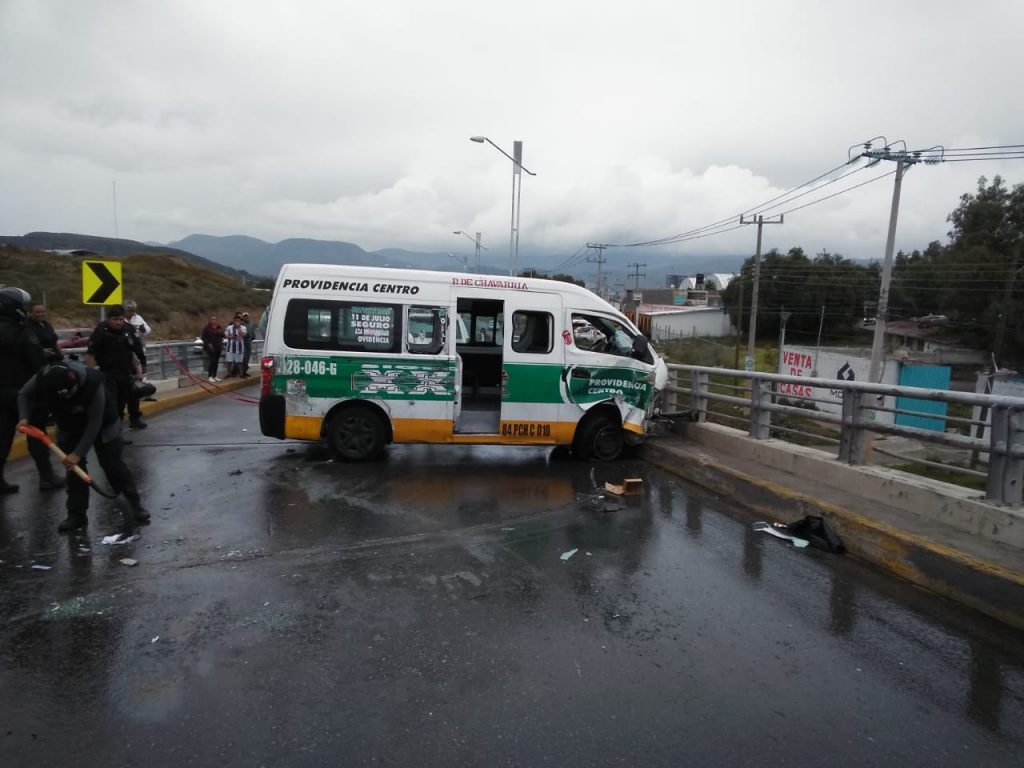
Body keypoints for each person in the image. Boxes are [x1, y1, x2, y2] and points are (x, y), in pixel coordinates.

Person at [18, 360, 149, 533]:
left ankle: (136, 506)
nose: (68, 398)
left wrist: (78, 453)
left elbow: (94, 424)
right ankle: (76, 515)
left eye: (70, 393)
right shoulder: (43, 378)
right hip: (68, 425)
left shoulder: (93, 383)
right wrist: (24, 417)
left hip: (103, 425)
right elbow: (23, 394)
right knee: (74, 473)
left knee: (113, 465)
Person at [0, 287, 50, 493]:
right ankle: (46, 476)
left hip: (1, 393)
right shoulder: (23, 332)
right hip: (25, 393)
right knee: (37, 433)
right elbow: (37, 364)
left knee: (2, 436)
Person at [23, 302, 66, 490]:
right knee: (37, 427)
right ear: (29, 313)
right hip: (38, 376)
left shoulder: (46, 325)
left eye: (43, 311)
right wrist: (41, 353)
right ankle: (46, 476)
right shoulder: (26, 329)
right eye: (37, 312)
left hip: (54, 371)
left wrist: (61, 356)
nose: (41, 314)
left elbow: (55, 343)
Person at [87, 305, 148, 429]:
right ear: (109, 319)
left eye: (120, 319)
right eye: (115, 319)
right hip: (108, 372)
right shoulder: (101, 330)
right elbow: (91, 353)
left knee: (126, 400)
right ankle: (113, 430)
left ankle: (124, 425)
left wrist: (140, 370)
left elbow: (133, 353)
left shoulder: (127, 330)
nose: (118, 322)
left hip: (125, 372)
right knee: (113, 403)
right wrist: (91, 375)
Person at [201, 314, 224, 382]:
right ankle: (209, 376)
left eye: (214, 319)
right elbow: (203, 337)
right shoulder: (206, 328)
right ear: (210, 320)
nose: (213, 321)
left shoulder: (219, 327)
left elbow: (223, 335)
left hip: (218, 346)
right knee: (212, 361)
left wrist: (220, 332)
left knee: (216, 362)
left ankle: (215, 375)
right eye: (212, 319)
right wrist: (208, 343)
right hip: (210, 347)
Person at [222, 313, 247, 378]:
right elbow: (225, 336)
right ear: (233, 321)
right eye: (235, 321)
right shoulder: (229, 327)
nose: (237, 322)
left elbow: (244, 335)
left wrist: (239, 329)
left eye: (238, 321)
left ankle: (241, 374)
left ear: (240, 321)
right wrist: (231, 336)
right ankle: (228, 374)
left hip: (240, 348)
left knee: (239, 362)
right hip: (230, 347)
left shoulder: (243, 327)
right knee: (229, 361)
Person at [240, 311, 254, 377]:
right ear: (243, 317)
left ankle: (245, 371)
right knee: (244, 357)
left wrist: (253, 337)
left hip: (249, 342)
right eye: (244, 316)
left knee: (248, 356)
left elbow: (252, 332)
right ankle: (242, 372)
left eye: (247, 316)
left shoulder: (251, 324)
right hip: (243, 342)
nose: (246, 317)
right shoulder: (241, 324)